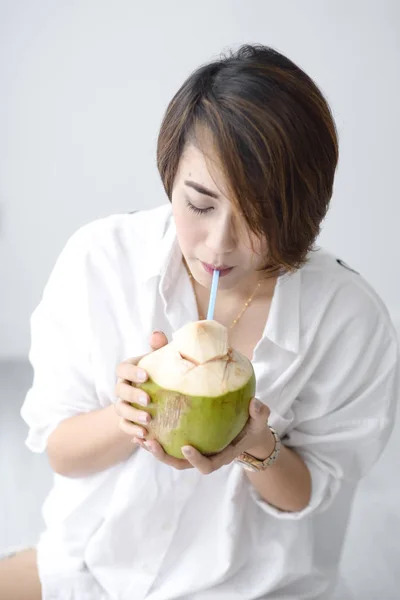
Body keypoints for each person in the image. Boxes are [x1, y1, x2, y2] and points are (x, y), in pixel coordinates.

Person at [0, 44, 398, 600]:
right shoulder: (101, 260)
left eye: (258, 216)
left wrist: (257, 445)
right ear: (170, 175)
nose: (218, 244)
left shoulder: (352, 322)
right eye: (200, 205)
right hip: (93, 566)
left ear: (303, 208)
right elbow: (61, 452)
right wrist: (128, 415)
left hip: (253, 586)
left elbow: (307, 497)